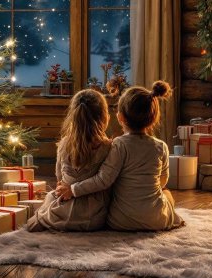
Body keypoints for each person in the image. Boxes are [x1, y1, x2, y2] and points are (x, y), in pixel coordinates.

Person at [56, 81, 184, 231]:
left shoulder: (118, 145)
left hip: (120, 221)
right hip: (157, 221)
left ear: (120, 117)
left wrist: (73, 189)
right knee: (167, 194)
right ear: (154, 117)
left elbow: (104, 179)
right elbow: (163, 180)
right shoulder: (161, 146)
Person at [26, 89, 112, 232]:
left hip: (61, 207)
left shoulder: (64, 144)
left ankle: (48, 219)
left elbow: (59, 177)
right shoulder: (108, 147)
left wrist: (69, 187)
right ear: (105, 118)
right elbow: (108, 180)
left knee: (37, 216)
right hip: (93, 216)